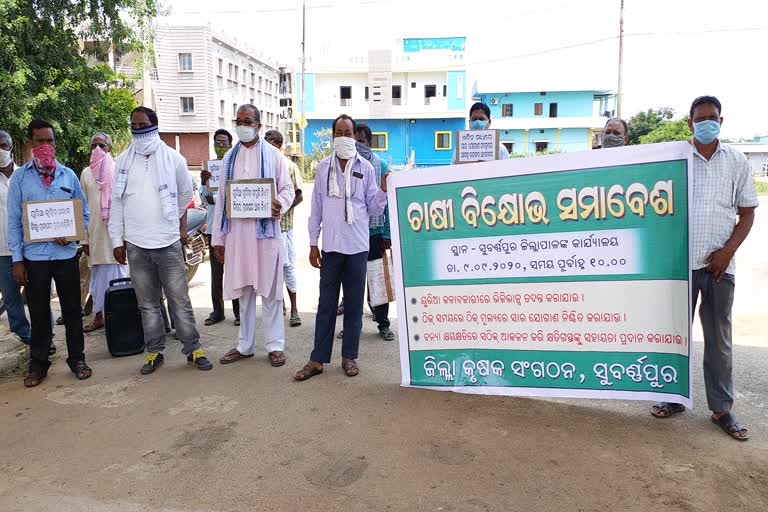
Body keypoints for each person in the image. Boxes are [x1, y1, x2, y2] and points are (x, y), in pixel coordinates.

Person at [650, 96, 757, 441]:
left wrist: (726, 253)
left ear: (721, 122)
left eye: (713, 118)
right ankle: (673, 398)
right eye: (700, 118)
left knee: (719, 341)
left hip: (718, 268)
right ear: (690, 123)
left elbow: (747, 213)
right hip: (680, 266)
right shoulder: (674, 160)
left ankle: (721, 409)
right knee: (674, 337)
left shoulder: (737, 161)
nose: (706, 123)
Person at [109, 106, 213, 374]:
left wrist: (173, 225)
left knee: (179, 299)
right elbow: (117, 203)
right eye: (134, 125)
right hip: (135, 244)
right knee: (147, 304)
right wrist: (116, 241)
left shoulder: (173, 159)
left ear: (155, 125)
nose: (138, 129)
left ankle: (193, 349)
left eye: (143, 124)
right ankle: (155, 352)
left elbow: (183, 195)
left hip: (166, 243)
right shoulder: (122, 161)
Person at [295, 114, 388, 381]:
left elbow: (372, 208)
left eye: (349, 132)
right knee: (326, 304)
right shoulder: (323, 167)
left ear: (353, 136)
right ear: (333, 136)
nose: (345, 137)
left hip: (357, 246)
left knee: (355, 305)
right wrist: (313, 243)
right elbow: (316, 209)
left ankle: (349, 357)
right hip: (332, 247)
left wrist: (382, 192)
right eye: (340, 132)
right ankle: (317, 359)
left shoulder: (366, 168)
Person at [8, 119, 92, 387]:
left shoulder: (68, 175)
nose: (45, 146)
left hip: (65, 255)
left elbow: (85, 214)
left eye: (50, 141)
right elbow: (13, 221)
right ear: (31, 143)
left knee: (71, 311)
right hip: (35, 259)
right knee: (40, 313)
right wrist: (17, 260)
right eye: (40, 141)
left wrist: (72, 233)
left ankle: (77, 359)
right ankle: (39, 363)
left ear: (55, 143)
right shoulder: (20, 178)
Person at [213, 105, 295, 368]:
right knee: (245, 291)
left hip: (266, 235)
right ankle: (244, 345)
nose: (243, 125)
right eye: (240, 120)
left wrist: (279, 204)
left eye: (248, 121)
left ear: (259, 125)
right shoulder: (229, 159)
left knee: (270, 292)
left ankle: (275, 346)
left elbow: (288, 189)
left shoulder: (273, 156)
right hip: (238, 236)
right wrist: (218, 240)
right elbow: (222, 202)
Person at [337, 124, 395, 341]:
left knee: (378, 282)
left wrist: (387, 234)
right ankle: (353, 326)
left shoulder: (380, 165)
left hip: (374, 233)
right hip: (352, 234)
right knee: (353, 283)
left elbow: (387, 203)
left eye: (362, 141)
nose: (358, 145)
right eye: (355, 140)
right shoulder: (345, 164)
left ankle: (383, 324)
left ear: (369, 143)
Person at [80, 132, 128, 332]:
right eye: (93, 146)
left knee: (120, 278)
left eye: (101, 145)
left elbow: (126, 205)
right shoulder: (85, 174)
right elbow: (81, 208)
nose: (97, 149)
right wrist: (84, 239)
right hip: (95, 235)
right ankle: (99, 316)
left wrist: (125, 238)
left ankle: (120, 318)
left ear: (109, 149)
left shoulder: (119, 171)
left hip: (116, 236)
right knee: (98, 280)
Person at [200, 128, 240, 326]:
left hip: (232, 228)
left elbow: (235, 194)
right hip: (212, 229)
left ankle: (238, 312)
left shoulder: (236, 166)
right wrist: (203, 183)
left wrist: (215, 197)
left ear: (230, 145)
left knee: (235, 271)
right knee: (216, 273)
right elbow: (204, 199)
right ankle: (217, 312)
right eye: (218, 142)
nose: (221, 146)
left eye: (224, 142)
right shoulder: (210, 169)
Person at [264, 129, 303, 327]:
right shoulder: (261, 166)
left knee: (287, 268)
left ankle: (294, 309)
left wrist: (283, 207)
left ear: (278, 146)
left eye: (271, 144)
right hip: (265, 228)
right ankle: (279, 307)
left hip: (284, 227)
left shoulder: (289, 166)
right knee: (270, 270)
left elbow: (299, 195)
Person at [0, 130, 32, 344]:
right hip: (2, 250)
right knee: (11, 299)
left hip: (29, 248)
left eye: (3, 145)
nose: (0, 150)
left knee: (37, 296)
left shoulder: (25, 176)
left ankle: (43, 337)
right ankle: (25, 339)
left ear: (11, 148)